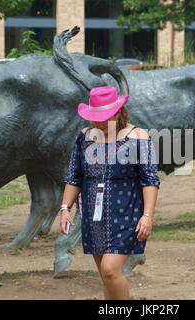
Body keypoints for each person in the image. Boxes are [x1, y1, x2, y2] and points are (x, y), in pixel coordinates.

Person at [59, 86, 160, 300]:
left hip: (126, 212)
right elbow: (74, 176)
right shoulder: (85, 137)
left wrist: (148, 215)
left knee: (110, 269)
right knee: (106, 276)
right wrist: (65, 208)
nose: (98, 122)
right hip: (93, 214)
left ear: (117, 112)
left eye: (103, 117)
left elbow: (150, 180)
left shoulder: (138, 136)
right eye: (95, 117)